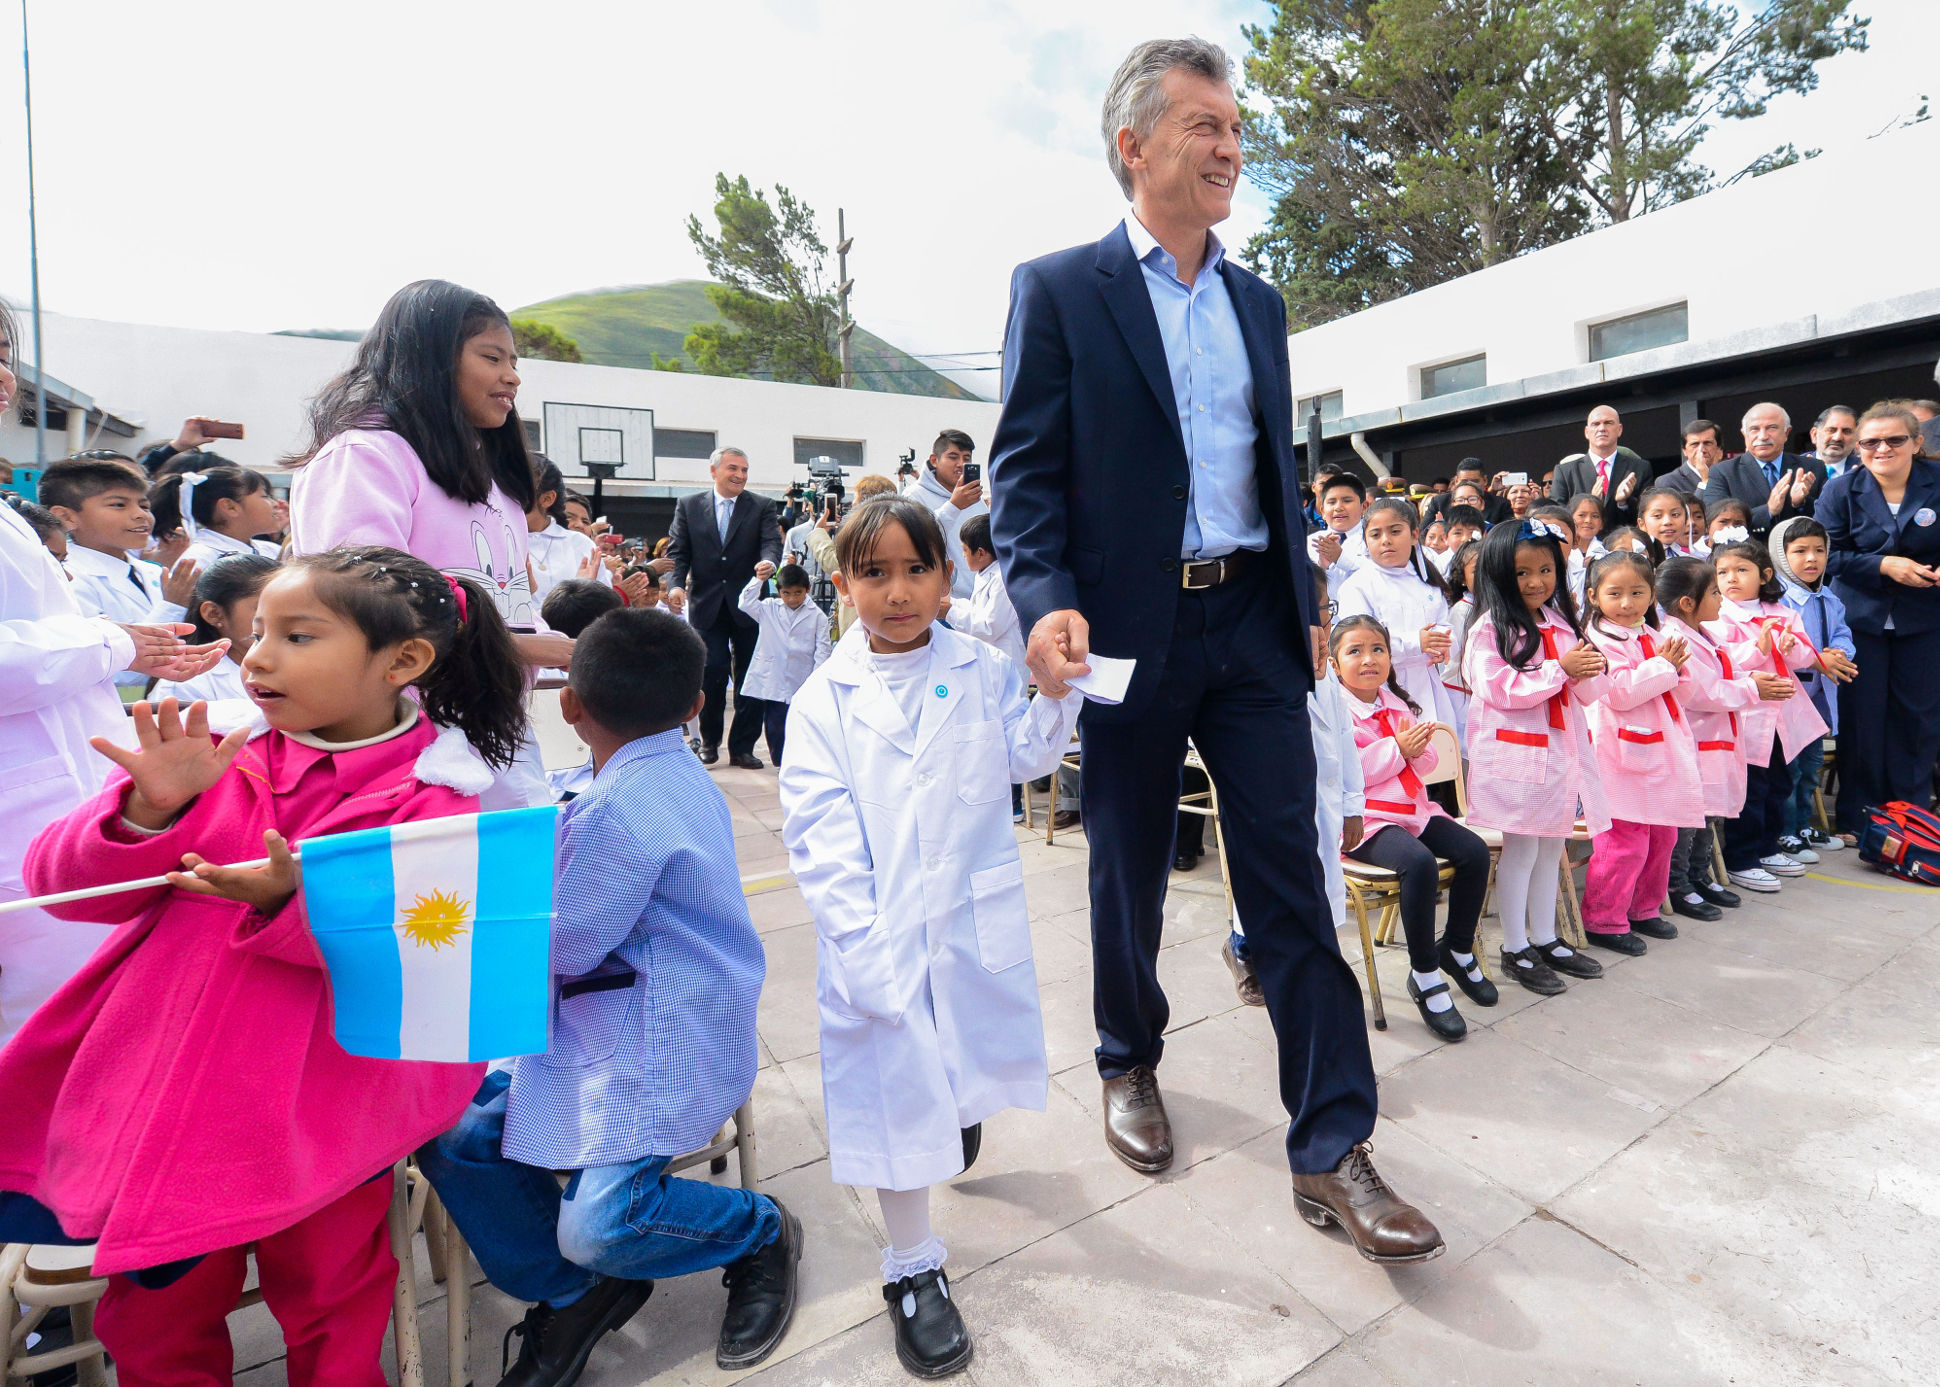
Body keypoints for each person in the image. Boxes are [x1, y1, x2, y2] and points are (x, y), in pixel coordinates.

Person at [989, 35, 1442, 1261]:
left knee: (1287, 877)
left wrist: (1296, 584)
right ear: (1132, 145)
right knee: (1127, 870)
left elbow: (1266, 464)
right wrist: (1043, 599)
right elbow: (1023, 474)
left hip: (1248, 623)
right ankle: (1127, 1058)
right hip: (1125, 634)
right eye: (1203, 124)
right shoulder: (1060, 289)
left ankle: (1331, 1144)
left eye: (1235, 127)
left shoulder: (1257, 300)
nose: (1230, 145)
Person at [0, 547, 523, 1385]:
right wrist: (144, 809)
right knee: (154, 1318)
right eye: (257, 634)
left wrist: (296, 905)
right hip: (164, 1111)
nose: (259, 658)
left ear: (405, 660)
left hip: (325, 1115)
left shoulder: (439, 800)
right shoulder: (213, 758)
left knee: (334, 1300)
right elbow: (62, 890)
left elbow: (441, 963)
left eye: (298, 636)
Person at [420, 606, 800, 1382]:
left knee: (600, 1222)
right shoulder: (658, 768)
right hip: (615, 1013)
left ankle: (758, 1230)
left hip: (662, 1034)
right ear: (698, 704)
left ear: (568, 703)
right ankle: (576, 1292)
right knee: (452, 1134)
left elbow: (563, 945)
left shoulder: (616, 807)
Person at [778, 497, 1083, 1376]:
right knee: (896, 1091)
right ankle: (913, 1269)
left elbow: (1021, 756)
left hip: (965, 913)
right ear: (843, 584)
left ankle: (960, 1099)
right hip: (876, 928)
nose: (898, 591)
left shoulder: (983, 669)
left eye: (918, 569)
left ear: (950, 577)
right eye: (874, 573)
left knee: (954, 1060)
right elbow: (821, 842)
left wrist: (1055, 701)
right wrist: (861, 948)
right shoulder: (821, 702)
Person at [286, 279, 572, 809]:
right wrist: (527, 647)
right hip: (405, 740)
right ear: (432, 360)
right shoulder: (364, 457)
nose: (512, 376)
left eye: (514, 361)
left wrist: (566, 649)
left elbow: (510, 603)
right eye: (492, 357)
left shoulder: (490, 476)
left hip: (491, 721)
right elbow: (367, 611)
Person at [1461, 520, 1610, 995]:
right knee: (1521, 850)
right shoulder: (1489, 629)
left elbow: (1585, 692)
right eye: (1522, 573)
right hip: (1516, 759)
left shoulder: (1560, 622)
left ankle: (1546, 937)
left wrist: (1588, 670)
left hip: (1561, 754)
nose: (1536, 582)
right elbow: (1499, 689)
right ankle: (1515, 946)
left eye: (1546, 570)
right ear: (1498, 574)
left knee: (1553, 848)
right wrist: (1558, 670)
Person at [1333, 615, 1495, 1041]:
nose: (1369, 659)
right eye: (1355, 651)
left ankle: (1457, 949)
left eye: (1378, 650)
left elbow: (1419, 769)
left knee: (1474, 852)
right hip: (1364, 820)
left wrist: (1417, 751)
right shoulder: (1333, 712)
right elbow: (1349, 775)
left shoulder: (1396, 704)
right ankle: (1424, 973)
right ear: (1333, 663)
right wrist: (1397, 748)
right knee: (1419, 865)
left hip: (1411, 809)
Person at [1220, 562, 1365, 1008]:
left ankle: (1314, 967)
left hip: (1322, 805)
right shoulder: (1254, 673)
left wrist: (1353, 804)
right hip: (1274, 807)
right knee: (1264, 889)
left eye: (1327, 607)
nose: (1326, 619)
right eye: (1319, 608)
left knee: (1318, 893)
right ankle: (1243, 950)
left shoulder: (1328, 679)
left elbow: (1345, 741)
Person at [1819, 401, 1940, 838]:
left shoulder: (1937, 482)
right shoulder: (1839, 490)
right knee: (1862, 719)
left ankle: (1911, 818)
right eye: (1870, 441)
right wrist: (1884, 566)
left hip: (1925, 619)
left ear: (1917, 443)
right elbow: (1827, 554)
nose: (1882, 449)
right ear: (1858, 447)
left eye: (1894, 439)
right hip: (1860, 623)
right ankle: (1859, 816)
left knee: (1918, 719)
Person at [1577, 550, 1706, 956]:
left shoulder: (1653, 635)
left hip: (1660, 751)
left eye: (1638, 592)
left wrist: (1673, 668)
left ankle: (1644, 907)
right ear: (1595, 596)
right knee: (1624, 841)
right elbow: (1619, 692)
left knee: (1663, 835)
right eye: (1616, 593)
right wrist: (1664, 668)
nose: (1627, 603)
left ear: (1652, 596)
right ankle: (1604, 918)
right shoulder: (1595, 641)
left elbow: (1684, 685)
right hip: (1620, 755)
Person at [1707, 534, 1827, 892]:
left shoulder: (1783, 612)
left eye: (1741, 570)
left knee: (1781, 783)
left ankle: (1768, 847)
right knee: (1750, 789)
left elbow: (1808, 656)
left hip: (1781, 718)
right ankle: (1742, 857)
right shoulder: (1717, 616)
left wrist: (1791, 647)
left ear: (1765, 575)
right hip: (1746, 718)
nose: (1731, 578)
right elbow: (1723, 663)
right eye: (1723, 571)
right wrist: (1758, 649)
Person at [1656, 556, 1772, 920]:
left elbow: (1728, 665)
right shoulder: (1673, 637)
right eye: (1712, 591)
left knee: (1708, 815)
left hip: (1714, 740)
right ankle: (1677, 884)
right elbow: (1700, 692)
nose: (1721, 596)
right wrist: (1752, 689)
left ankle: (1697, 874)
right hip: (1693, 739)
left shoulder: (1704, 632)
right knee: (1690, 817)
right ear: (1687, 603)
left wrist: (1754, 668)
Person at [667, 447, 783, 769]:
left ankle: (743, 748)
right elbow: (679, 553)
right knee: (712, 672)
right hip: (706, 606)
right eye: (733, 468)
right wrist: (676, 586)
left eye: (745, 470)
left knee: (751, 676)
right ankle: (709, 741)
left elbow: (771, 542)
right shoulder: (689, 506)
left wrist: (768, 562)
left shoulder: (761, 506)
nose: (740, 475)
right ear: (714, 471)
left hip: (748, 605)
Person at [39, 456, 198, 685]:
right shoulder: (67, 577)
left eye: (144, 505)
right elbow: (104, 664)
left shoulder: (151, 572)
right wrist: (171, 607)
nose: (141, 515)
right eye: (118, 505)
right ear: (66, 517)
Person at [1334, 496, 1461, 743]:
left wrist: (1445, 645)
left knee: (1439, 764)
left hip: (1428, 684)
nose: (1386, 541)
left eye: (1394, 531)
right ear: (1365, 541)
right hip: (1380, 689)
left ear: (1414, 535)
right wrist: (1417, 642)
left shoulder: (1427, 583)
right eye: (1375, 534)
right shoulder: (1357, 587)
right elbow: (1358, 644)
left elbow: (1446, 626)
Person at [1769, 515, 1856, 859]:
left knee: (1810, 769)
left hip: (1818, 700)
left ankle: (1803, 825)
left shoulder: (1828, 596)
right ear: (1780, 554)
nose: (1811, 559)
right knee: (1789, 771)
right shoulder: (1777, 600)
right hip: (1791, 699)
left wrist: (1839, 653)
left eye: (1819, 550)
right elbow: (1781, 646)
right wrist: (1819, 658)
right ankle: (1785, 832)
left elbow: (1842, 633)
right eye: (1800, 550)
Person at [738, 560, 832, 768]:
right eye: (786, 593)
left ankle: (800, 760)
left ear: (808, 590)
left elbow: (822, 650)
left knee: (801, 721)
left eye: (798, 593)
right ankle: (782, 763)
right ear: (778, 591)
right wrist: (759, 579)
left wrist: (816, 679)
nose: (792, 598)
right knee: (776, 723)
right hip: (774, 677)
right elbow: (744, 603)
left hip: (802, 677)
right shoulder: (769, 608)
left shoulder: (818, 616)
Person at [156, 553, 279, 711]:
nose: (284, 618)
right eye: (265, 607)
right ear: (214, 614)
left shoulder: (304, 663)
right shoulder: (184, 685)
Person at [1700, 403, 1826, 535]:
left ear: (1786, 432)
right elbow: (1715, 524)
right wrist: (1768, 511)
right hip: (1749, 552)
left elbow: (1828, 518)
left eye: (1771, 428)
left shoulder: (1813, 467)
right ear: (1744, 434)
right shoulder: (1724, 472)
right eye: (1754, 429)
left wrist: (1800, 503)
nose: (1763, 436)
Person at [148, 463, 281, 568]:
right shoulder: (200, 559)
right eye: (265, 496)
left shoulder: (271, 550)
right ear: (230, 507)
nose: (275, 504)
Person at [906, 429, 984, 603]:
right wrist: (954, 506)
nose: (961, 464)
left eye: (966, 458)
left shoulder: (976, 499)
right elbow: (915, 541)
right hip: (940, 603)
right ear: (934, 460)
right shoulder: (913, 496)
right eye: (953, 457)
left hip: (978, 603)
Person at [526, 458, 608, 609]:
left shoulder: (581, 544)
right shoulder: (497, 543)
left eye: (517, 491)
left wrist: (581, 594)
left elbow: (604, 613)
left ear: (547, 499)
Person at [1549, 406, 1649, 524]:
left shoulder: (1640, 468)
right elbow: (1557, 517)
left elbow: (1648, 515)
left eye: (1608, 423)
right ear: (1587, 432)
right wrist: (1589, 503)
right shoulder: (1565, 471)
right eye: (1596, 424)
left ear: (1619, 429)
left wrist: (1624, 503)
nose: (1602, 428)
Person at [954, 514, 1027, 673]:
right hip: (989, 658)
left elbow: (989, 628)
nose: (963, 555)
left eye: (965, 550)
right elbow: (977, 609)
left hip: (1006, 659)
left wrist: (949, 612)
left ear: (980, 553)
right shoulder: (985, 572)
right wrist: (950, 602)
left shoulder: (1003, 579)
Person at [1307, 471, 1370, 581]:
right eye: (1331, 502)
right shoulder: (1310, 542)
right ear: (1322, 511)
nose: (1338, 508)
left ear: (1364, 507)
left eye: (1347, 501)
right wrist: (1323, 568)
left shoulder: (1374, 538)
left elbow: (1382, 574)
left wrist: (1340, 558)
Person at [1660, 418, 1725, 494]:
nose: (1701, 450)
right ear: (1684, 451)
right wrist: (1705, 481)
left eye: (1707, 443)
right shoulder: (1669, 482)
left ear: (1719, 449)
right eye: (1695, 444)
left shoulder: (1729, 476)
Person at [1807, 406, 1859, 484]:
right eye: (1831, 430)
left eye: (1846, 431)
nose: (1837, 438)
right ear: (1814, 435)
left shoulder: (1864, 471)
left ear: (1856, 438)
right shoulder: (1794, 467)